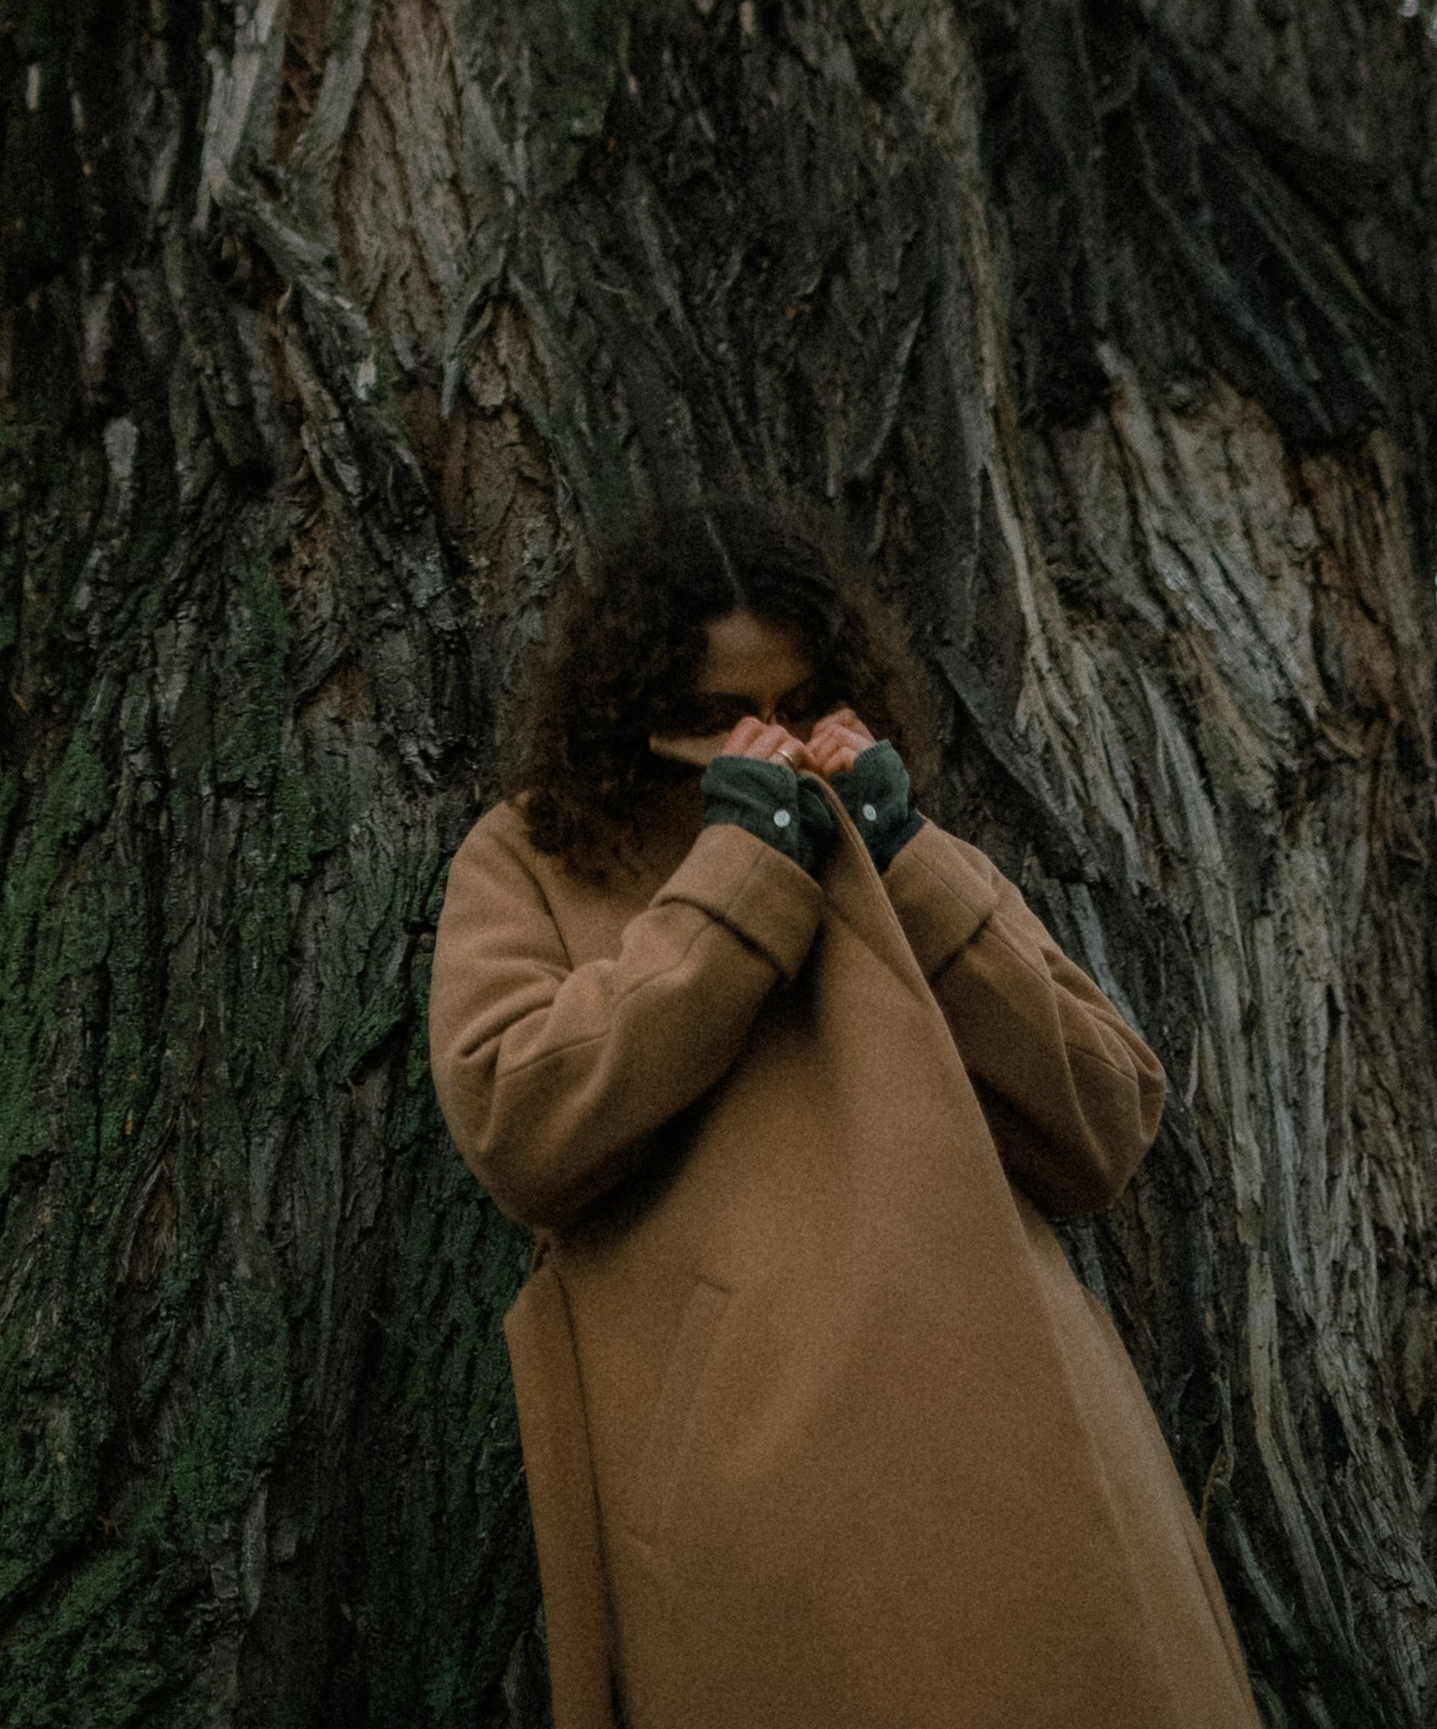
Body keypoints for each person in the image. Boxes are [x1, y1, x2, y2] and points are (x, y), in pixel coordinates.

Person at [428, 501, 1259, 1729]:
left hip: (1029, 1461)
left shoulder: (903, 843)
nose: (768, 736)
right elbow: (519, 1122)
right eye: (717, 714)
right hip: (740, 1472)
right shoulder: (535, 856)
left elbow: (1104, 1120)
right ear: (629, 703)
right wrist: (734, 879)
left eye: (803, 699)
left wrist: (905, 852)